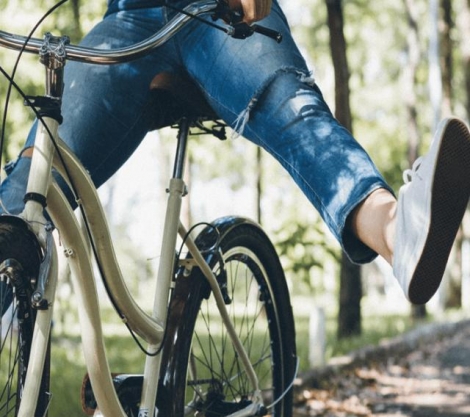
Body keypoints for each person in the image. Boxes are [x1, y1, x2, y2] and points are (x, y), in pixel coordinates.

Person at [1, 0, 470, 305]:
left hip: (220, 11)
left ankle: (396, 231)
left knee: (293, 109)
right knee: (32, 179)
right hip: (130, 16)